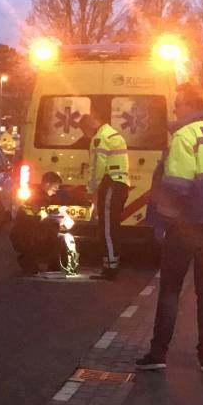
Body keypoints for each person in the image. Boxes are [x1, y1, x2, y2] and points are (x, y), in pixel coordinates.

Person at [136, 82, 203, 372]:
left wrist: (162, 224)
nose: (175, 110)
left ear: (188, 106)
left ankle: (158, 354)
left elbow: (176, 188)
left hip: (185, 227)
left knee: (170, 289)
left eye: (178, 104)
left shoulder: (185, 136)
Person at [79, 113, 130, 280]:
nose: (87, 135)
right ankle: (111, 263)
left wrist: (91, 189)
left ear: (88, 126)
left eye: (86, 131)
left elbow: (97, 167)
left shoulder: (100, 138)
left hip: (110, 184)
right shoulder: (114, 134)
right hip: (121, 184)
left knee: (106, 228)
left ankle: (110, 268)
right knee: (112, 226)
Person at [10, 171, 63, 275]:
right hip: (25, 235)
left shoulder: (39, 196)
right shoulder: (37, 198)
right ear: (47, 184)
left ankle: (30, 260)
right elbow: (37, 219)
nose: (55, 192)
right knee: (55, 237)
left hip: (24, 234)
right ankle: (29, 259)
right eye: (54, 189)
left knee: (52, 234)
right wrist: (58, 224)